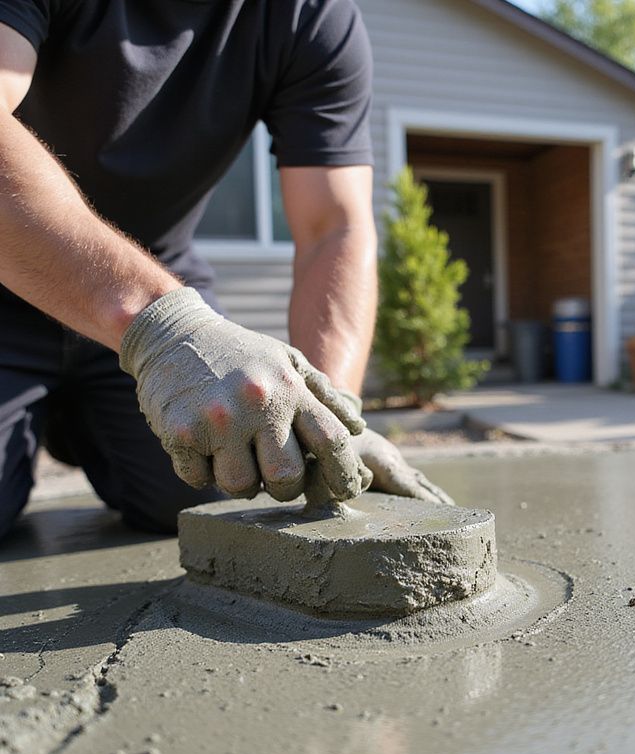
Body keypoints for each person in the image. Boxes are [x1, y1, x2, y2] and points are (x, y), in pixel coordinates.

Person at [0, 0, 451, 541]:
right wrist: (169, 334)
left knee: (233, 486)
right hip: (68, 297)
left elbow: (333, 227)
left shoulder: (308, 17)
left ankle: (82, 422)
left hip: (163, 281)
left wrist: (331, 414)